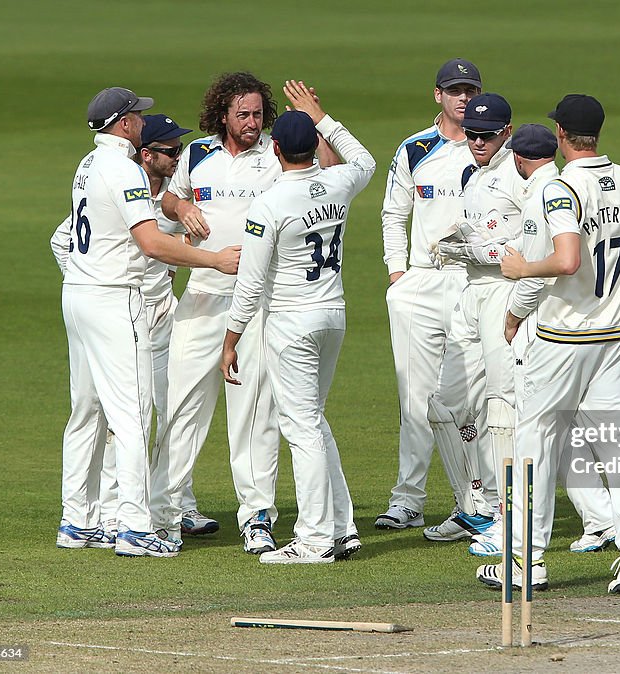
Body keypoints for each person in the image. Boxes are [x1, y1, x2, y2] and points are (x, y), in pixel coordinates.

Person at [485, 94, 620, 593]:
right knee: (618, 443)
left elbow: (565, 261)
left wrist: (523, 269)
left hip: (565, 336)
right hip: (617, 336)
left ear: (562, 134)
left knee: (536, 443)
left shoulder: (560, 188)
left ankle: (525, 560)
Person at [58, 86, 239, 557]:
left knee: (87, 411)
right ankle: (135, 528)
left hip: (79, 296)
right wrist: (213, 260)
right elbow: (153, 245)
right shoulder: (123, 169)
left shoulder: (88, 163)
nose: (142, 120)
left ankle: (77, 521)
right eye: (137, 115)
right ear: (123, 125)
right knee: (134, 414)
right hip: (117, 300)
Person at [221, 81, 375, 564]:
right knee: (314, 421)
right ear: (313, 147)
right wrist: (322, 115)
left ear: (275, 148)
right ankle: (342, 528)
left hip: (291, 323)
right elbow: (365, 161)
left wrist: (231, 340)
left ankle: (312, 540)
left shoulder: (270, 203)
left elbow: (249, 283)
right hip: (334, 316)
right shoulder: (337, 183)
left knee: (301, 426)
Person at [157, 72, 283, 554]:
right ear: (223, 116)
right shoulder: (197, 155)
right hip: (203, 293)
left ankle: (256, 517)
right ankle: (166, 513)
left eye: (257, 114)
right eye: (243, 115)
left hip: (256, 300)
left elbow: (328, 175)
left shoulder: (275, 155)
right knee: (183, 404)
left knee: (252, 411)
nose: (252, 123)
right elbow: (166, 198)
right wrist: (180, 205)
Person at [502, 123, 620, 556]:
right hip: (607, 327)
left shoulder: (547, 196)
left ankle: (523, 553)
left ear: (517, 157)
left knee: (534, 436)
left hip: (552, 326)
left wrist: (512, 318)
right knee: (580, 431)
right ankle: (611, 523)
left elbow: (540, 271)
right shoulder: (583, 184)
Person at [376, 59, 482, 530]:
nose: (463, 97)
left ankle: (477, 501)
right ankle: (408, 499)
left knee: (468, 397)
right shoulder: (416, 148)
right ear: (437, 95)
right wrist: (398, 272)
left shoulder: (493, 149)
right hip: (420, 280)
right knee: (414, 394)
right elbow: (393, 214)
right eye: (454, 90)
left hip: (470, 281)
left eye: (470, 90)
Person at [422, 93, 523, 550]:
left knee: (503, 408)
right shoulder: (473, 173)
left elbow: (520, 247)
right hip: (469, 293)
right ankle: (473, 507)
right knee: (443, 406)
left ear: (507, 132)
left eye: (488, 135)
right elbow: (477, 226)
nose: (477, 142)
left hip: (503, 294)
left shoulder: (521, 176)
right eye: (471, 134)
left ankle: (509, 519)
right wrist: (454, 238)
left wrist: (466, 249)